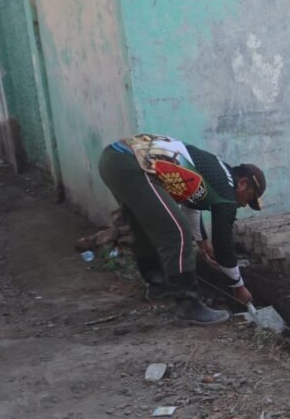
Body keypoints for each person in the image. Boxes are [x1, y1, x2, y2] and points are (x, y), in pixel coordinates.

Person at [98, 133, 266, 326]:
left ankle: (158, 286)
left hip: (113, 159)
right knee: (178, 232)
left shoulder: (216, 171)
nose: (244, 205)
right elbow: (223, 247)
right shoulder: (227, 192)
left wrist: (202, 242)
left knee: (143, 227)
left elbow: (191, 203)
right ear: (242, 183)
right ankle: (189, 306)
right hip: (134, 164)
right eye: (249, 198)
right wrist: (238, 287)